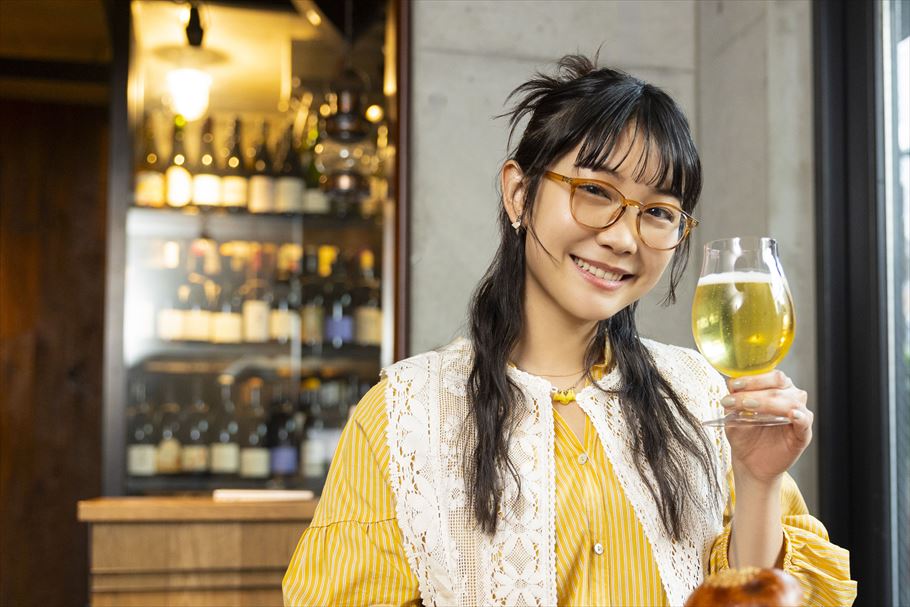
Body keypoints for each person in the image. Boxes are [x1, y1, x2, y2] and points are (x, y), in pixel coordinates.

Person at [283, 55, 856, 606]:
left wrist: (758, 481)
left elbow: (753, 600)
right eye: (596, 191)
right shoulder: (403, 416)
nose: (624, 238)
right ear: (519, 193)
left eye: (657, 211)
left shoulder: (702, 393)